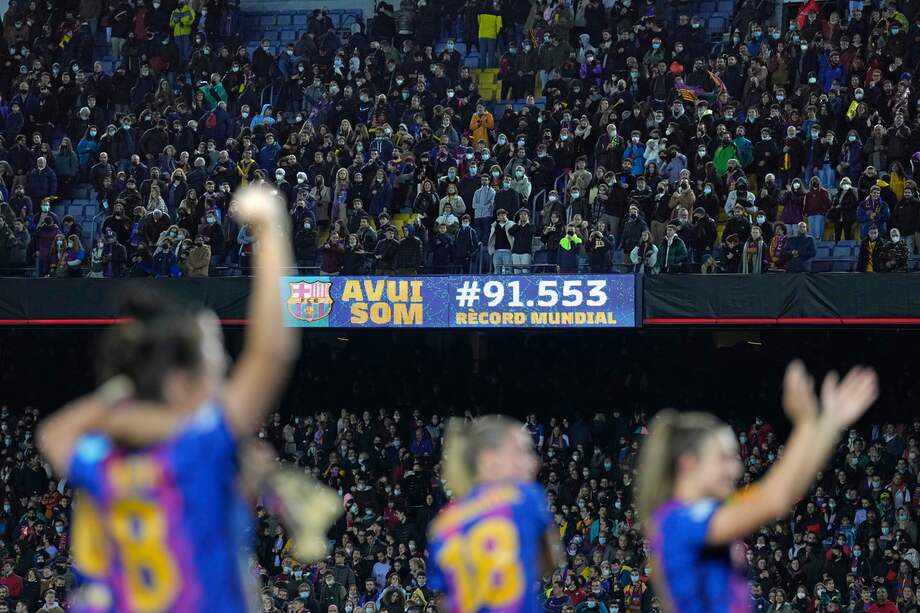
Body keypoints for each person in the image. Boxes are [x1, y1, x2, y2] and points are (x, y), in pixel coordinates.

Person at [36, 185, 338, 613]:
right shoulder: (198, 450)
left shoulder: (105, 461)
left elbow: (54, 434)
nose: (225, 369)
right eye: (215, 355)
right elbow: (271, 351)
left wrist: (122, 400)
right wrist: (270, 228)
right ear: (180, 384)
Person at [639, 361, 878, 613]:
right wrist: (808, 424)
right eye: (723, 458)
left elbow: (787, 489)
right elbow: (774, 498)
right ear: (689, 463)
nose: (735, 469)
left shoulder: (709, 510)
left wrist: (829, 423)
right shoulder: (679, 521)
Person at [427, 416, 563, 613]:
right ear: (489, 459)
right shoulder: (524, 497)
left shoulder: (443, 524)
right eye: (521, 452)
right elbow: (551, 563)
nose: (533, 461)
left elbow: (445, 601)